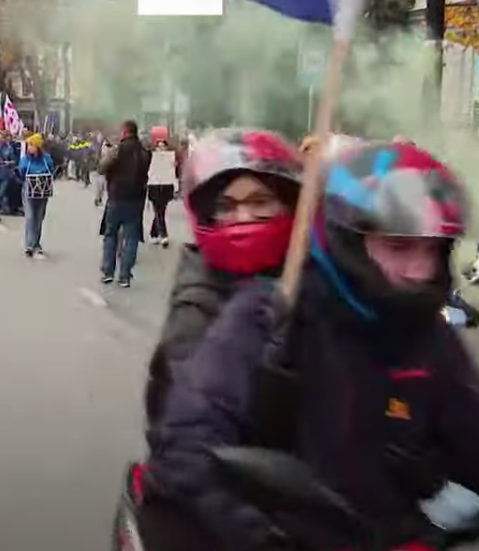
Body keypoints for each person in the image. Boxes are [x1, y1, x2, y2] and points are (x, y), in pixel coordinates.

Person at [143, 141, 479, 551]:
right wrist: (257, 536)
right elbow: (184, 444)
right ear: (348, 241)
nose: (418, 269)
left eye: (431, 250)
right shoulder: (270, 320)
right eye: (398, 247)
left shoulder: (434, 339)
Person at [141, 129, 302, 436]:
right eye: (227, 206)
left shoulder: (316, 280)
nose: (244, 215)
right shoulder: (197, 309)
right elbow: (180, 426)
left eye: (260, 201)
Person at [99, 120, 151, 287]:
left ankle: (108, 271)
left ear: (124, 132)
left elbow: (102, 167)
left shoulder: (117, 150)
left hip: (116, 197)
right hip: (136, 199)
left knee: (110, 235)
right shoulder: (144, 152)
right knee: (131, 238)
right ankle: (125, 275)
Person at [18, 133, 54, 258]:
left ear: (38, 146)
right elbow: (21, 171)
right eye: (28, 145)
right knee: (30, 217)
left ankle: (36, 244)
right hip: (29, 190)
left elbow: (51, 170)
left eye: (32, 145)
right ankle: (29, 245)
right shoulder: (25, 159)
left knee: (39, 218)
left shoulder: (46, 158)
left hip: (43, 192)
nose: (29, 148)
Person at [147, 138, 177, 247]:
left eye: (163, 146)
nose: (161, 149)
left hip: (166, 188)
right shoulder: (152, 158)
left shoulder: (170, 159)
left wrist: (174, 166)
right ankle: (164, 235)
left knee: (161, 212)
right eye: (158, 146)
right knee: (159, 212)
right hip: (154, 188)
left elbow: (174, 174)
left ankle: (153, 233)